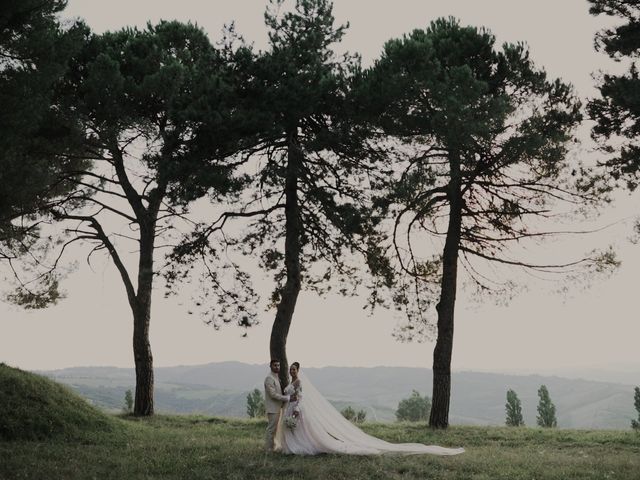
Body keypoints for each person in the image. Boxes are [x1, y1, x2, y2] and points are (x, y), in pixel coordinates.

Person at [274, 361, 464, 456]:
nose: (292, 371)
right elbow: (289, 395)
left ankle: (302, 447)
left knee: (301, 431)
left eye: (294, 369)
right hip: (289, 409)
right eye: (290, 369)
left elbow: (300, 397)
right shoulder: (291, 382)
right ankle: (291, 447)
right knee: (294, 431)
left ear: (298, 371)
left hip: (296, 408)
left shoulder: (299, 382)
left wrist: (297, 410)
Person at [264, 359, 294, 452]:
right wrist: (287, 398)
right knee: (271, 429)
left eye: (278, 365)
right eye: (275, 365)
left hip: (278, 407)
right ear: (270, 366)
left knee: (275, 429)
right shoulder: (269, 378)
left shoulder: (276, 377)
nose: (277, 367)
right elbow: (272, 394)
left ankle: (272, 446)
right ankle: (268, 449)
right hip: (273, 408)